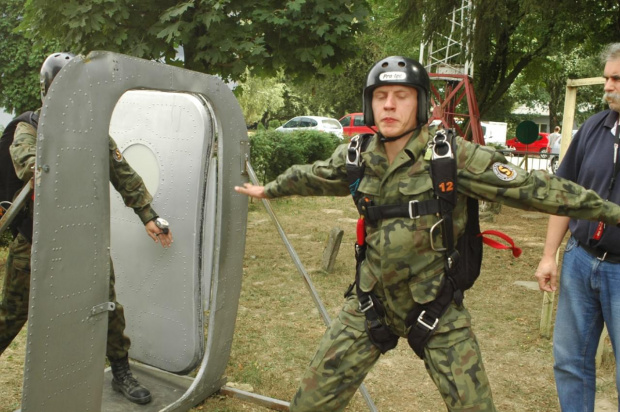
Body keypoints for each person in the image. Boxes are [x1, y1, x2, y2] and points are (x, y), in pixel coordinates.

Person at [235, 56, 620, 411]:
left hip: (436, 309)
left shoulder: (451, 156)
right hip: (370, 305)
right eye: (380, 96)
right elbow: (313, 176)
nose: (388, 105)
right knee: (310, 403)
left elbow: (536, 188)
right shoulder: (357, 155)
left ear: (419, 104)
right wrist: (269, 189)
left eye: (400, 96)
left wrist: (611, 212)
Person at [0, 52, 174, 405]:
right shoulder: (29, 128)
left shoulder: (93, 131)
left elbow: (123, 174)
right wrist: (53, 164)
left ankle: (121, 371)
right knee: (12, 314)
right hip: (36, 242)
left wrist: (149, 216)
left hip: (84, 240)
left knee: (108, 306)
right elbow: (29, 165)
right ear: (51, 90)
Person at [534, 43, 620, 411]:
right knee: (570, 361)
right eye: (606, 78)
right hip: (581, 261)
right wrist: (549, 255)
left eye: (617, 79)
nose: (608, 87)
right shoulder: (594, 128)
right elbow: (562, 194)